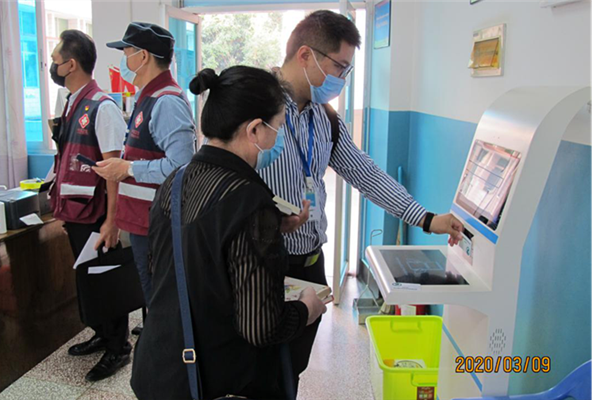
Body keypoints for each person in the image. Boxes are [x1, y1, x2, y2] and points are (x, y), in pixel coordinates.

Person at [259, 10, 465, 390]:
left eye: (347, 70)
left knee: (293, 368)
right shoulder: (254, 108)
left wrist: (426, 218)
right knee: (261, 371)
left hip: (310, 265)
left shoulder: (324, 119)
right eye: (340, 67)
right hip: (262, 264)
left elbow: (366, 174)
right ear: (305, 55)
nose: (342, 79)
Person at [130, 66, 327, 400]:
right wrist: (307, 308)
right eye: (278, 127)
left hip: (160, 367)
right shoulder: (250, 200)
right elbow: (261, 326)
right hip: (217, 381)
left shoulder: (176, 181)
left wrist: (271, 228)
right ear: (254, 129)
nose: (277, 139)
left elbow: (170, 267)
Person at [95, 22, 196, 334]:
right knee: (152, 293)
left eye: (127, 52)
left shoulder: (166, 102)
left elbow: (182, 166)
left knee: (161, 295)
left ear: (144, 56)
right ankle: (159, 334)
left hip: (158, 222)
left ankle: (166, 347)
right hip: (142, 220)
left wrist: (128, 169)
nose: (124, 60)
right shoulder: (146, 96)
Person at [48, 30, 131, 381]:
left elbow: (114, 171)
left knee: (105, 279)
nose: (52, 65)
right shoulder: (71, 103)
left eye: (55, 59)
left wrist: (112, 221)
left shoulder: (102, 107)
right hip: (75, 209)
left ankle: (119, 347)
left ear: (71, 64)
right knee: (88, 280)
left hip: (96, 213)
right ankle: (101, 333)